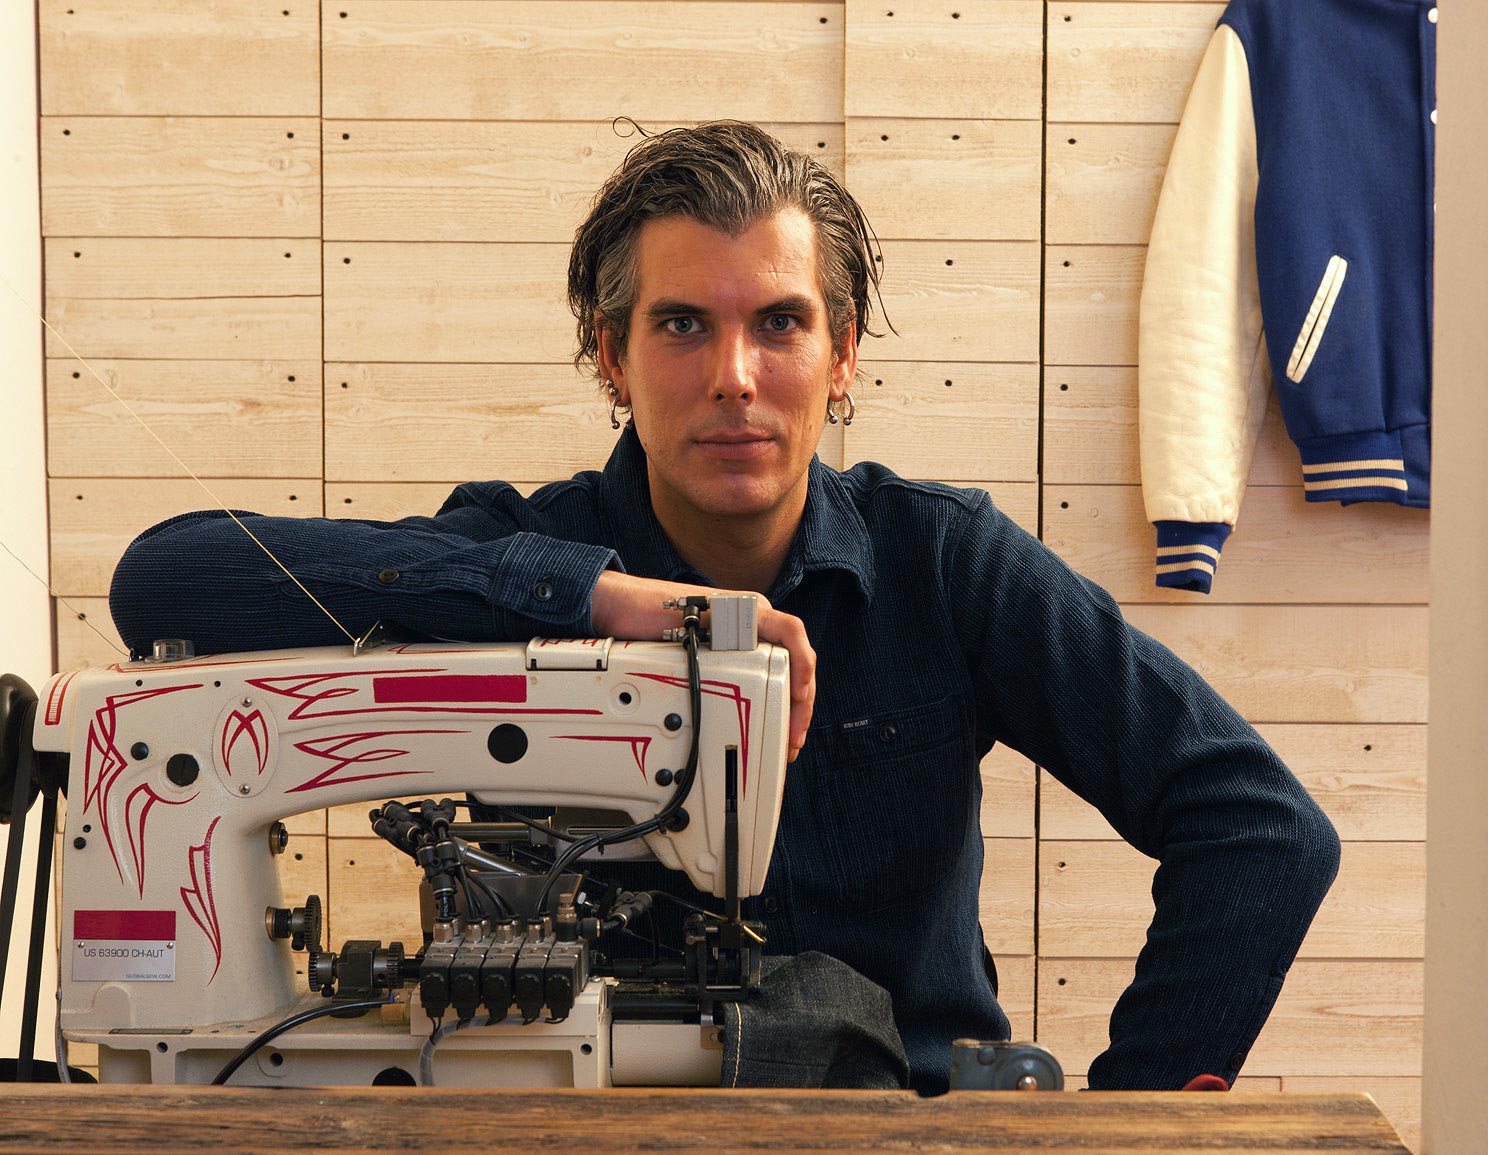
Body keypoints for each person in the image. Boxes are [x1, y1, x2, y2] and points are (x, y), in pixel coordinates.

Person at [109, 120, 1339, 1094]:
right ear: (612, 354)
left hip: (891, 1120)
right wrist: (588, 597)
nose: (735, 379)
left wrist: (1133, 1125)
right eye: (682, 325)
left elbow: (1261, 830)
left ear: (843, 354)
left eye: (781, 325)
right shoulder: (518, 550)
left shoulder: (941, 565)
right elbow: (163, 577)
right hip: (585, 1127)